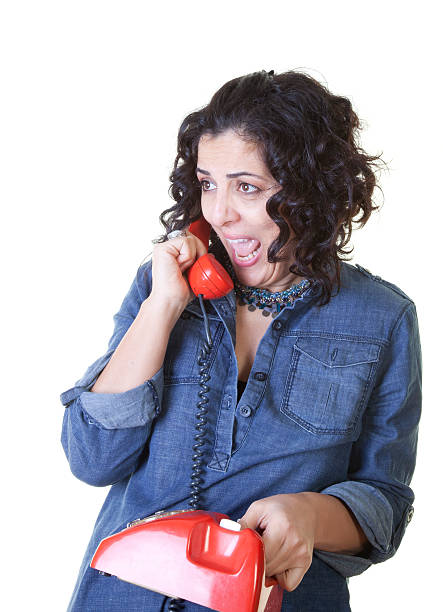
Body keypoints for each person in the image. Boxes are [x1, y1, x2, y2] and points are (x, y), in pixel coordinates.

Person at [60, 69, 422, 612]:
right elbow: (92, 458)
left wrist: (308, 514)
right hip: (123, 597)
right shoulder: (162, 289)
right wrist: (163, 308)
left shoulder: (382, 317)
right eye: (208, 184)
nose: (221, 214)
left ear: (310, 193)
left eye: (247, 188)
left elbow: (384, 502)